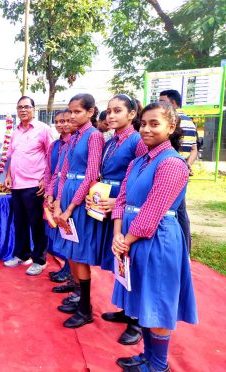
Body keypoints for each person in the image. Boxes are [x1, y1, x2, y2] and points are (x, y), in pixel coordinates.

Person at [111, 101, 198, 372]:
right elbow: (122, 199)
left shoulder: (172, 163)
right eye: (144, 124)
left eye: (155, 124)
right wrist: (117, 233)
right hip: (131, 237)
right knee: (143, 298)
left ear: (171, 127)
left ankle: (159, 365)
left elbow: (153, 211)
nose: (146, 129)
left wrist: (126, 239)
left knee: (158, 301)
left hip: (158, 240)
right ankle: (148, 356)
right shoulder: (138, 161)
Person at [87, 94, 147, 345]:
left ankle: (137, 322)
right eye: (109, 111)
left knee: (130, 259)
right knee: (118, 259)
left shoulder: (138, 141)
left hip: (129, 208)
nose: (111, 115)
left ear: (132, 114)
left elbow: (144, 179)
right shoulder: (112, 141)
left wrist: (120, 200)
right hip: (111, 207)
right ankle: (126, 310)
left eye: (118, 111)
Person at [52, 93, 104, 328]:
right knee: (70, 249)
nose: (72, 116)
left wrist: (71, 206)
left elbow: (91, 175)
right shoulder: (72, 137)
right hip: (68, 194)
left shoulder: (94, 137)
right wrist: (58, 201)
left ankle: (85, 308)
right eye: (70, 111)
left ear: (91, 112)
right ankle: (78, 296)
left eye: (77, 112)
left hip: (81, 198)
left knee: (79, 251)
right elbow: (63, 172)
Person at [4, 96, 53, 275]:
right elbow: (12, 156)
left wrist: (45, 180)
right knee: (20, 222)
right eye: (19, 107)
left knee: (36, 223)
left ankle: (39, 259)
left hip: (34, 184)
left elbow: (52, 156)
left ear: (33, 108)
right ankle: (22, 255)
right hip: (17, 185)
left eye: (26, 107)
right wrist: (9, 175)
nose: (23, 110)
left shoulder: (43, 129)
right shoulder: (15, 132)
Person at [159, 90, 195, 252]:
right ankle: (184, 248)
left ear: (173, 103)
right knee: (179, 210)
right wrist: (186, 165)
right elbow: (194, 148)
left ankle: (182, 250)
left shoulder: (173, 119)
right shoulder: (190, 121)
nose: (160, 104)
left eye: (162, 101)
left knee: (174, 211)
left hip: (169, 169)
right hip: (180, 168)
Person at [44, 110, 71, 283]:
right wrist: (48, 192)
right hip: (53, 192)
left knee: (69, 234)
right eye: (58, 121)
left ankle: (70, 271)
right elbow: (49, 170)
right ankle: (66, 269)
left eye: (65, 121)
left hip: (67, 193)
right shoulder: (54, 145)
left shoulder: (73, 143)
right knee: (57, 232)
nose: (62, 124)